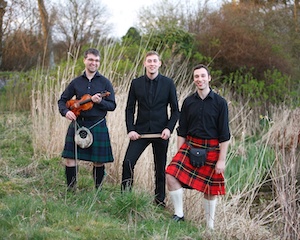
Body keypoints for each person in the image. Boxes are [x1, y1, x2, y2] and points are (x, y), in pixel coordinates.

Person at [165, 64, 231, 229]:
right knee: (171, 175)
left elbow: (225, 135)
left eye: (203, 76)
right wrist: (180, 152)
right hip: (190, 145)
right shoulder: (188, 102)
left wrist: (221, 160)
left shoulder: (220, 103)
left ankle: (210, 226)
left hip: (212, 149)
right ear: (194, 79)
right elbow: (182, 130)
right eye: (196, 76)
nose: (199, 79)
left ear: (209, 78)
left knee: (210, 190)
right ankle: (179, 215)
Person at [121, 50, 179, 207]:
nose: (152, 64)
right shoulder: (136, 83)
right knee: (127, 162)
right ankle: (125, 198)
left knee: (160, 169)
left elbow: (175, 110)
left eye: (155, 61)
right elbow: (129, 109)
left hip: (161, 133)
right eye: (149, 61)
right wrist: (130, 129)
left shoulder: (168, 83)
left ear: (159, 63)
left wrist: (169, 129)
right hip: (140, 132)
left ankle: (159, 201)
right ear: (145, 64)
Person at [58, 48, 116, 191]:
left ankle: (98, 190)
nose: (93, 63)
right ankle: (71, 190)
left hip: (98, 123)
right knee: (70, 158)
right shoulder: (76, 82)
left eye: (96, 60)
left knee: (98, 161)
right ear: (84, 60)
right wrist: (65, 112)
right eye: (90, 59)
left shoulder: (105, 83)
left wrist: (99, 102)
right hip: (78, 123)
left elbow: (112, 105)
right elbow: (62, 100)